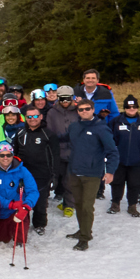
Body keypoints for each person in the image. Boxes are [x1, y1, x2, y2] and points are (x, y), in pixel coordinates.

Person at [64, 98, 119, 251]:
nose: (84, 112)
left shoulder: (101, 128)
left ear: (93, 109)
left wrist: (110, 171)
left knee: (87, 207)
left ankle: (85, 238)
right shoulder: (74, 126)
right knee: (79, 204)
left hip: (92, 174)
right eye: (80, 110)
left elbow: (112, 151)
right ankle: (83, 229)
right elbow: (65, 139)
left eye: (87, 109)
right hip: (75, 172)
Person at [108, 95, 140, 216]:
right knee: (117, 182)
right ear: (124, 108)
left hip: (138, 161)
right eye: (128, 107)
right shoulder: (116, 121)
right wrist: (113, 152)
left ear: (137, 107)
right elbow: (109, 138)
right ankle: (115, 203)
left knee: (135, 183)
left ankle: (132, 205)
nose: (131, 109)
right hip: (119, 159)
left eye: (134, 106)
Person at [11, 107, 55, 235]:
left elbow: (55, 156)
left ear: (41, 117)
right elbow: (15, 153)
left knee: (40, 200)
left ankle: (39, 224)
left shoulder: (48, 134)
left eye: (35, 116)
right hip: (23, 172)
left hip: (42, 173)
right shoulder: (20, 132)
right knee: (20, 198)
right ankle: (20, 219)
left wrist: (54, 175)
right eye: (29, 117)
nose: (32, 119)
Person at [0, 142, 37, 246]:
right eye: (2, 155)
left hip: (17, 208)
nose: (5, 158)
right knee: (2, 239)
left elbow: (33, 190)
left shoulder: (22, 170)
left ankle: (20, 240)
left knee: (22, 216)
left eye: (8, 155)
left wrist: (26, 206)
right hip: (0, 210)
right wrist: (9, 204)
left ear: (13, 156)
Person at [45, 85, 79, 216]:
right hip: (58, 150)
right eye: (62, 98)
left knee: (69, 179)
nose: (65, 101)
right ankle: (58, 200)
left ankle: (69, 204)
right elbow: (50, 131)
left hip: (74, 151)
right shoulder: (52, 112)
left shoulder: (77, 110)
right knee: (56, 177)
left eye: (68, 98)